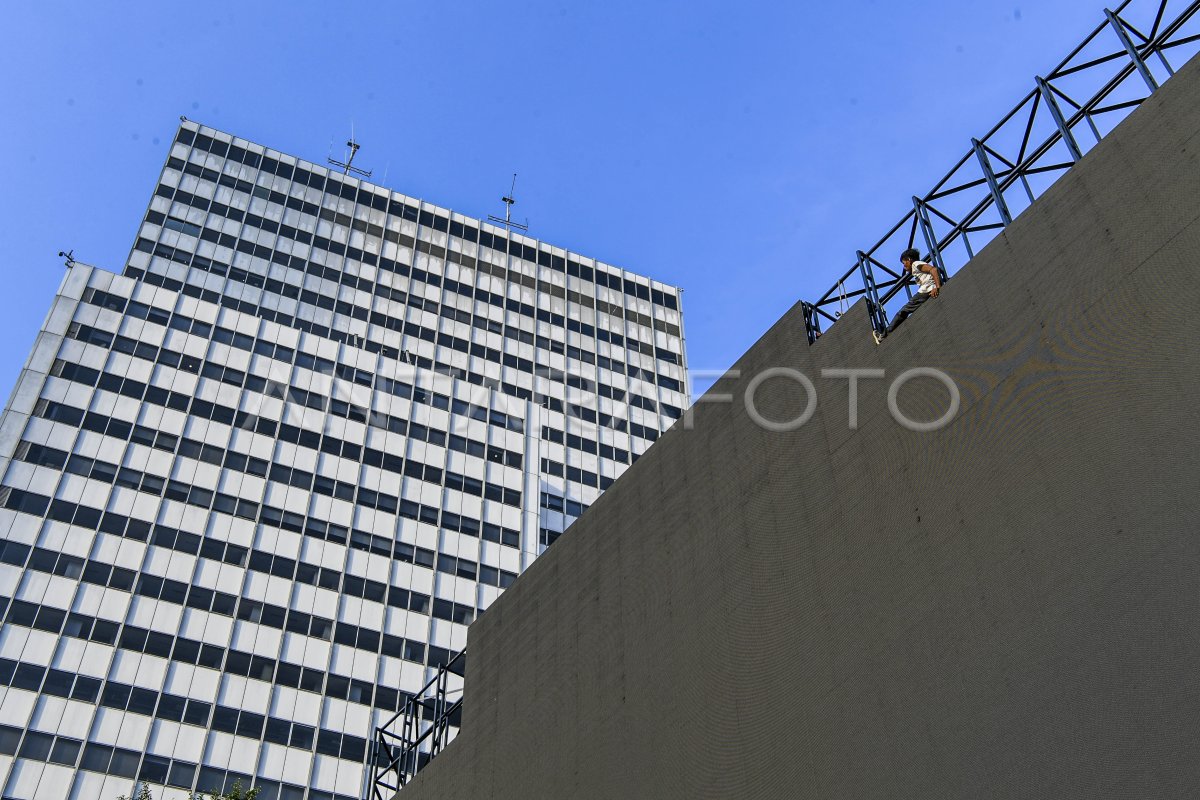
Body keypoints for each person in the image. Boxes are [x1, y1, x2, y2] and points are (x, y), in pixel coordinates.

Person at [873, 248, 941, 344]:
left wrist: (937, 287)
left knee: (903, 312)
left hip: (925, 290)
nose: (904, 266)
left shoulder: (915, 264)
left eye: (904, 263)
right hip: (927, 290)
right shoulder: (916, 266)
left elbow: (933, 270)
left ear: (909, 259)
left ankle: (883, 336)